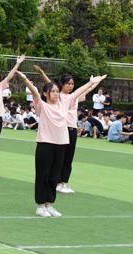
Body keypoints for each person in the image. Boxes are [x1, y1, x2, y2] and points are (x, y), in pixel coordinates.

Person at [18, 71, 106, 217]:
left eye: (57, 91)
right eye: (52, 91)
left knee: (54, 176)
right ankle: (40, 206)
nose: (55, 94)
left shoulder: (65, 103)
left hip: (61, 144)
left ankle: (49, 204)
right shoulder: (42, 106)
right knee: (43, 175)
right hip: (45, 144)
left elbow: (77, 92)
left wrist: (90, 83)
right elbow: (34, 91)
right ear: (45, 93)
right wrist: (25, 79)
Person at [34, 66, 104, 194]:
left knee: (68, 157)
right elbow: (49, 83)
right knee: (59, 157)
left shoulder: (73, 97)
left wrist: (95, 82)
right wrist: (42, 73)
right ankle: (56, 181)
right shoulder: (58, 96)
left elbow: (88, 89)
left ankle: (63, 182)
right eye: (68, 84)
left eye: (72, 84)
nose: (71, 86)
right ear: (61, 84)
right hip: (61, 129)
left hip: (72, 129)